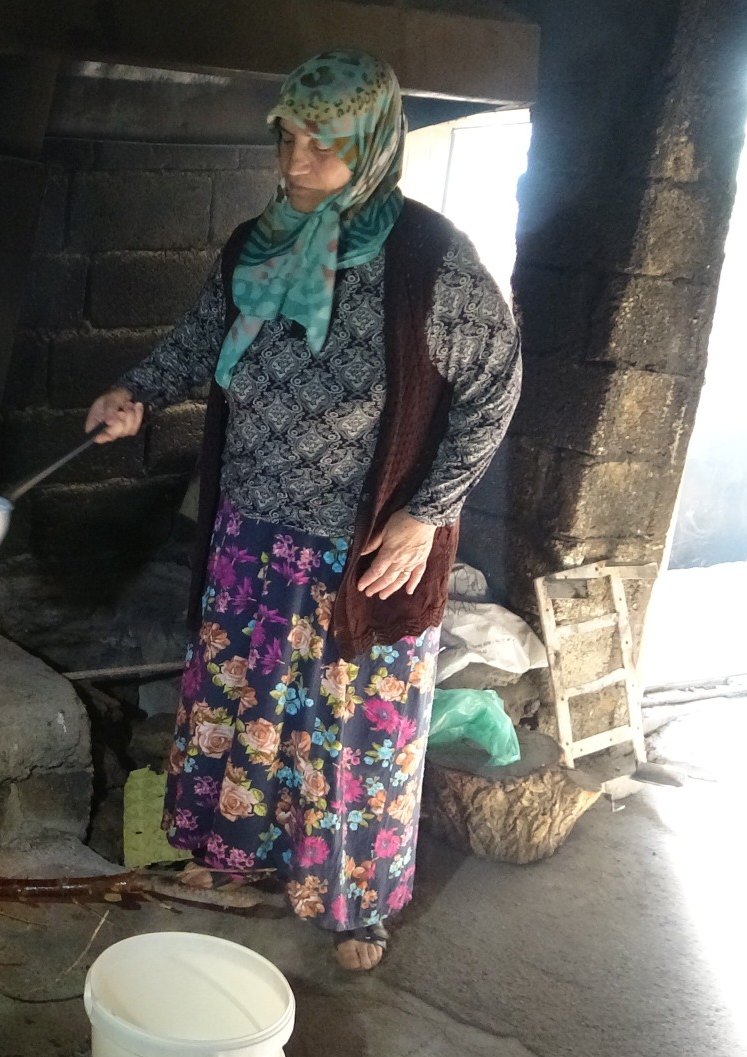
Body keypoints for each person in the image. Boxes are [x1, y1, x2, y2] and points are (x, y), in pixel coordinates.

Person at [85, 50, 520, 972]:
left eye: (322, 146)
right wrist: (135, 392)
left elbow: (496, 387)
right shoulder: (258, 241)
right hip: (251, 528)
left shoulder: (429, 262)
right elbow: (202, 342)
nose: (295, 163)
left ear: (369, 146)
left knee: (352, 727)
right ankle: (231, 851)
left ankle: (353, 902)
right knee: (241, 704)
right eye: (287, 138)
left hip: (363, 547)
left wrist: (429, 513)